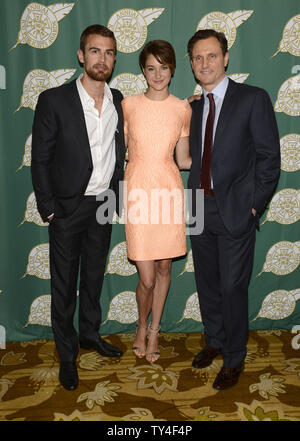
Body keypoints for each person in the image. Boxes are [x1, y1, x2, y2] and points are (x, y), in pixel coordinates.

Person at [31, 24, 126, 390]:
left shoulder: (118, 99)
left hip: (104, 204)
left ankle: (90, 334)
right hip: (67, 209)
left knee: (93, 279)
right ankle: (67, 355)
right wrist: (50, 208)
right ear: (81, 55)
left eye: (110, 52)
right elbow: (40, 159)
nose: (103, 59)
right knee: (63, 285)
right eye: (96, 51)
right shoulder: (54, 100)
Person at [187, 29, 280, 390]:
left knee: (232, 287)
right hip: (198, 207)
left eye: (211, 55)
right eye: (197, 57)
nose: (204, 63)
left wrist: (254, 207)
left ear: (225, 58)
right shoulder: (193, 106)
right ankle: (215, 340)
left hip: (236, 212)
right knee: (207, 284)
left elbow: (269, 159)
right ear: (192, 64)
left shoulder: (253, 99)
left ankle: (235, 357)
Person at [122, 40, 192, 363]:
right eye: (151, 68)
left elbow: (184, 159)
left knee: (165, 266)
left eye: (164, 67)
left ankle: (154, 330)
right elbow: (120, 152)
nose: (158, 74)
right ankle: (140, 323)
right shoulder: (129, 105)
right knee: (146, 277)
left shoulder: (182, 109)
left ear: (173, 69)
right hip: (138, 191)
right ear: (143, 70)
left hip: (168, 190)